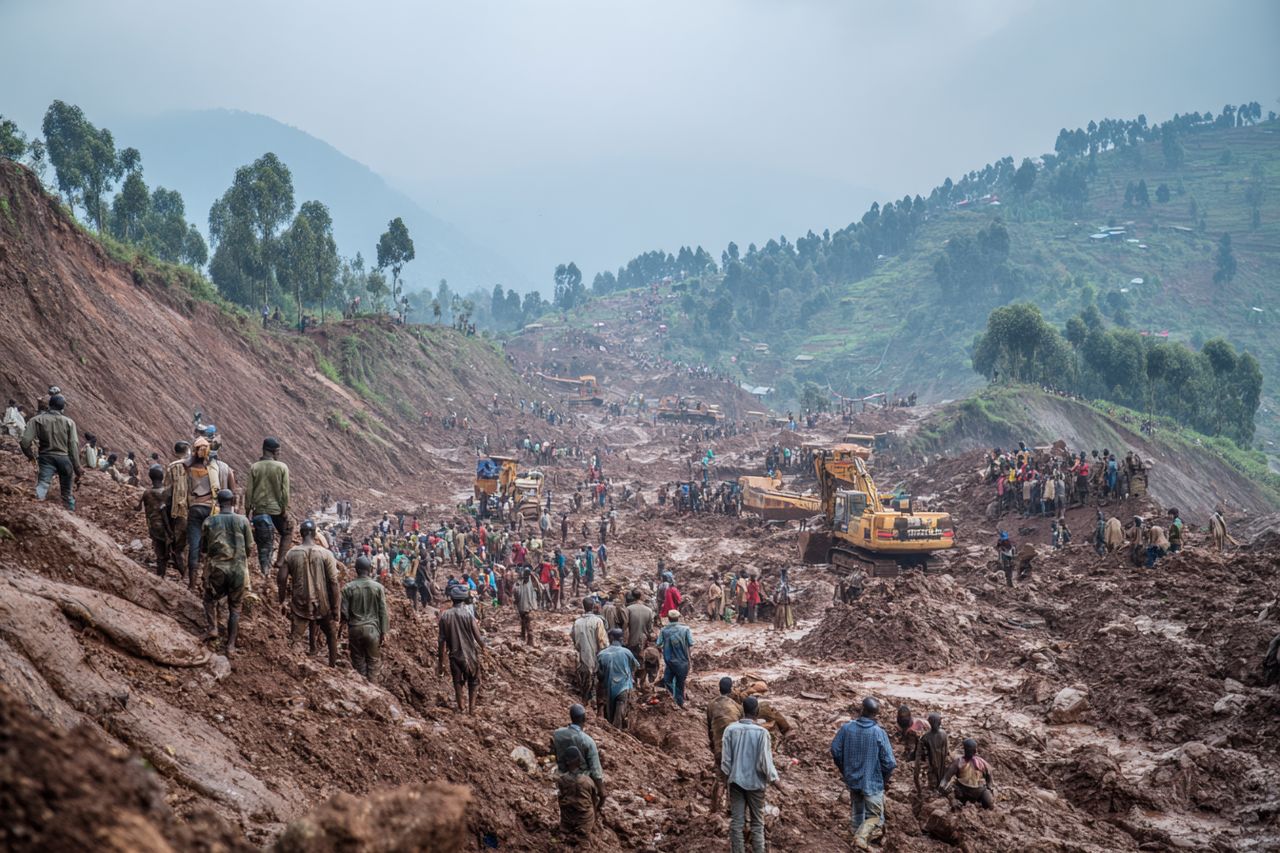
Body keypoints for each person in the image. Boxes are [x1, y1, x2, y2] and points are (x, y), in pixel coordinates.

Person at [831, 696, 896, 850]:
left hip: (853, 779)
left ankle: (855, 843)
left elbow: (835, 750)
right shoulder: (878, 733)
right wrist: (884, 781)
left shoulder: (847, 728)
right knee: (874, 818)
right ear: (876, 714)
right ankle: (860, 839)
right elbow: (890, 763)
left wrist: (844, 769)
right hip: (872, 781)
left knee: (857, 813)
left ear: (862, 709)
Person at [721, 695, 782, 853]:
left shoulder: (730, 730)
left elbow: (725, 761)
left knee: (737, 822)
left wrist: (730, 775)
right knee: (757, 823)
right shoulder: (762, 733)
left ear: (742, 710)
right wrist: (775, 780)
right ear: (757, 711)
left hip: (735, 782)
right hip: (756, 784)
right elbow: (766, 762)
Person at [278, 519, 340, 667]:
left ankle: (292, 666)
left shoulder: (291, 553)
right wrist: (336, 608)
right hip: (322, 604)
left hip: (300, 604)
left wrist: (281, 600)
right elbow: (334, 583)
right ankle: (332, 665)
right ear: (314, 534)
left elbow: (281, 579)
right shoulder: (326, 554)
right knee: (331, 634)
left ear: (301, 534)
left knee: (295, 638)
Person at [200, 489, 253, 656]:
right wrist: (241, 557)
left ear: (217, 502)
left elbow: (204, 548)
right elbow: (250, 547)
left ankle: (213, 628)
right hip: (238, 570)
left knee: (209, 599)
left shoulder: (209, 521)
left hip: (217, 569)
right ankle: (230, 646)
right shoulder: (243, 521)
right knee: (235, 608)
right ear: (233, 502)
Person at [19, 394, 82, 510]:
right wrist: (77, 468)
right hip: (64, 459)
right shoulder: (69, 423)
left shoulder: (37, 420)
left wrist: (30, 456)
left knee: (42, 485)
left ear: (49, 405)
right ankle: (71, 514)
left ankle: (35, 509)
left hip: (46, 458)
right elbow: (73, 446)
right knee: (67, 493)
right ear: (63, 408)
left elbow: (24, 442)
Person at [246, 437, 292, 576]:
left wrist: (247, 511)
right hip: (276, 511)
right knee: (288, 531)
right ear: (274, 451)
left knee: (263, 543)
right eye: (278, 451)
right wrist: (284, 510)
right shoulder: (282, 467)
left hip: (259, 511)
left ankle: (264, 569)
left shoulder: (254, 467)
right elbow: (285, 492)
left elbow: (249, 492)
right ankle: (280, 560)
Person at [182, 437, 223, 590]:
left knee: (194, 545)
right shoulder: (212, 469)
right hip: (210, 509)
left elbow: (186, 463)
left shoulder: (189, 469)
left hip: (195, 508)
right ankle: (207, 581)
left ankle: (192, 583)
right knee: (211, 547)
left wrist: (195, 453)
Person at [437, 585, 485, 714]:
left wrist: (440, 663)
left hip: (454, 655)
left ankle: (461, 706)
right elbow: (478, 636)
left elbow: (441, 641)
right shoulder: (468, 615)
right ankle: (472, 708)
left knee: (457, 682)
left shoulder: (444, 616)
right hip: (470, 655)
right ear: (464, 600)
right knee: (473, 681)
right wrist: (484, 648)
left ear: (452, 599)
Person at [341, 555, 389, 681]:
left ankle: (363, 686)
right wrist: (384, 631)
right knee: (373, 662)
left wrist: (342, 627)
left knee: (358, 662)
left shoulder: (348, 588)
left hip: (355, 629)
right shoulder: (378, 588)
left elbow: (344, 613)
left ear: (356, 570)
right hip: (373, 630)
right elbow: (383, 611)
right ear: (370, 569)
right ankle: (373, 688)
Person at [551, 704, 606, 807]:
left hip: (562, 775)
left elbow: (553, 753)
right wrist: (602, 793)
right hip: (582, 780)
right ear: (584, 718)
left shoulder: (557, 734)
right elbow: (596, 772)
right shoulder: (588, 741)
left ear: (571, 716)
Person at [706, 675, 743, 811]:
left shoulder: (711, 705)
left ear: (719, 689)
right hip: (736, 748)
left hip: (719, 748)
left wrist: (714, 747)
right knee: (734, 778)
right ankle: (731, 808)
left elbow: (709, 728)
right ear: (731, 689)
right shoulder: (737, 707)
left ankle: (715, 809)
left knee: (720, 778)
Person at [556, 745, 601, 843]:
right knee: (583, 842)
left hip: (567, 818)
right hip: (583, 819)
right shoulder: (588, 781)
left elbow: (560, 799)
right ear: (578, 761)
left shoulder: (561, 780)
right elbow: (594, 801)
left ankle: (564, 834)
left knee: (562, 839)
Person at [596, 628, 639, 729]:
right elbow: (635, 666)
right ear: (621, 639)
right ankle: (618, 733)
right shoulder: (626, 652)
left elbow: (599, 674)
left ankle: (610, 731)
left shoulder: (602, 654)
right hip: (624, 687)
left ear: (610, 638)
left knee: (609, 713)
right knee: (620, 714)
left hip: (608, 688)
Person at [136, 465, 174, 578]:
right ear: (162, 477)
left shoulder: (146, 493)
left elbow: (138, 507)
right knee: (169, 550)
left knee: (159, 552)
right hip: (166, 527)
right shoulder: (166, 493)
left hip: (153, 527)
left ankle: (160, 574)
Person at [571, 597, 609, 705]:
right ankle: (594, 705)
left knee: (584, 682)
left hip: (582, 657)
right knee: (596, 683)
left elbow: (573, 637)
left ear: (583, 607)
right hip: (596, 656)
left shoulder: (577, 622)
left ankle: (585, 702)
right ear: (593, 607)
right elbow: (603, 642)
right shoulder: (598, 621)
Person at [940, 738, 995, 809]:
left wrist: (989, 788)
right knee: (951, 792)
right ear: (965, 750)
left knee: (989, 804)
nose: (969, 751)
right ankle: (955, 803)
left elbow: (989, 777)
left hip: (978, 791)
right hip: (962, 790)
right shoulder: (958, 762)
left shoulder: (982, 763)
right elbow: (946, 777)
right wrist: (942, 786)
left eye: (971, 750)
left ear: (975, 750)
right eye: (967, 750)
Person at [656, 609, 694, 708]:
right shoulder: (685, 629)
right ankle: (679, 701)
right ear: (678, 618)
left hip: (669, 661)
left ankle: (674, 698)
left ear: (668, 619)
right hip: (683, 661)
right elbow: (691, 643)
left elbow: (658, 643)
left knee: (667, 680)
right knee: (680, 683)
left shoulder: (664, 630)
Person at [914, 712, 950, 793]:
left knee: (933, 785)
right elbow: (947, 751)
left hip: (932, 766)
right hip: (942, 764)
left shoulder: (925, 737)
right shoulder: (944, 734)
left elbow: (919, 757)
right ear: (939, 723)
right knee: (940, 781)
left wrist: (916, 779)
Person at [624, 590, 655, 661]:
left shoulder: (628, 609)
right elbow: (650, 628)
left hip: (631, 640)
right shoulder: (649, 610)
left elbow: (625, 626)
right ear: (641, 597)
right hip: (644, 641)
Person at [515, 567, 540, 646]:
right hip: (525, 605)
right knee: (524, 621)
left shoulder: (526, 582)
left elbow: (516, 593)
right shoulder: (525, 582)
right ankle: (524, 637)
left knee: (527, 622)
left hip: (525, 606)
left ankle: (529, 639)